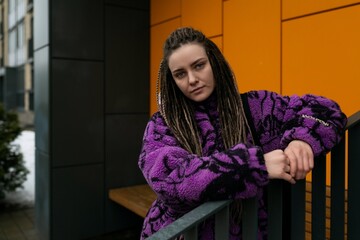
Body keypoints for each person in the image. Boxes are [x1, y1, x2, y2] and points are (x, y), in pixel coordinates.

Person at [138, 27, 347, 239]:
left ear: (214, 62)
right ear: (171, 80)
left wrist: (302, 140)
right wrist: (254, 166)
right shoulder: (163, 124)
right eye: (180, 74)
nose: (192, 79)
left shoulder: (257, 107)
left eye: (199, 66)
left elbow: (325, 109)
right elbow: (168, 179)